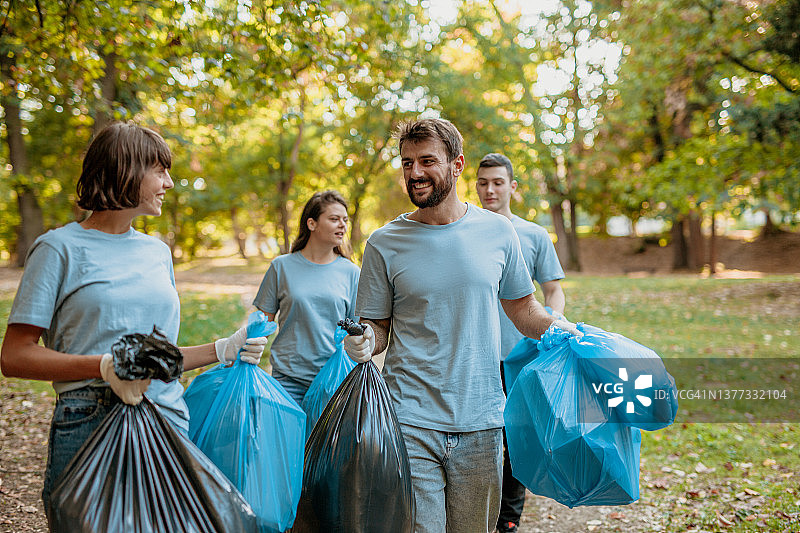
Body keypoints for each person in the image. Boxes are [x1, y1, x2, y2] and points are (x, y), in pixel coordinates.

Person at [0, 122, 267, 522]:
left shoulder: (157, 253)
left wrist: (224, 349)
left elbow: (156, 359)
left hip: (166, 420)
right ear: (125, 169)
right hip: (89, 422)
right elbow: (15, 357)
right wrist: (103, 367)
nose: (170, 183)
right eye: (159, 170)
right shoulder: (58, 249)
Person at [343, 118, 581, 533]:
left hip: (482, 419)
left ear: (456, 165)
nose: (414, 173)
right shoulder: (384, 243)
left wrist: (559, 328)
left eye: (427, 161)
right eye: (407, 163)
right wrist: (366, 340)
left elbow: (524, 310)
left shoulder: (497, 232)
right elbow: (376, 326)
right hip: (410, 417)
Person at [476, 152, 566, 533]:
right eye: (483, 183)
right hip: (476, 357)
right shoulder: (469, 230)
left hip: (521, 356)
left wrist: (553, 320)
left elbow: (553, 291)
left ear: (512, 186)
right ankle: (477, 514)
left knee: (516, 437)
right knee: (481, 436)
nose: (490, 189)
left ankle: (508, 521)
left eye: (498, 182)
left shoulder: (533, 235)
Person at [253, 190, 360, 405]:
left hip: (333, 380)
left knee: (323, 441)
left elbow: (356, 331)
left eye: (345, 220)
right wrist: (242, 359)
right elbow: (261, 325)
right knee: (288, 439)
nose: (342, 225)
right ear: (312, 224)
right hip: (287, 380)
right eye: (334, 219)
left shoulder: (352, 273)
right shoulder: (281, 267)